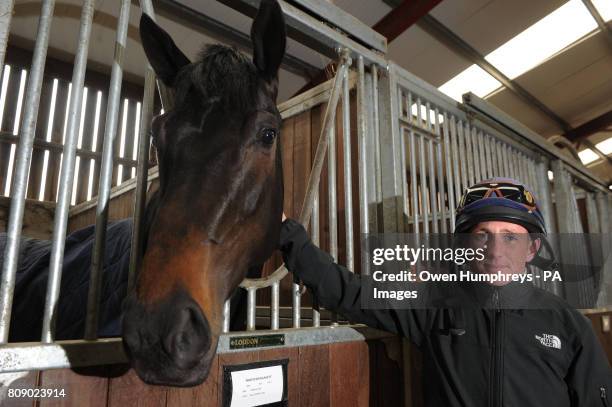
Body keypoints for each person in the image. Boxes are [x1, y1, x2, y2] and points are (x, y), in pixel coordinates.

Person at [278, 178, 612, 406]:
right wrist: (285, 231)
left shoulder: (567, 325)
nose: (496, 251)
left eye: (511, 236)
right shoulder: (436, 306)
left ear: (531, 249)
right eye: (482, 235)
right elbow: (347, 292)